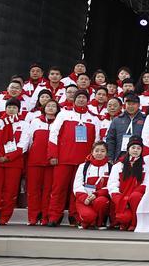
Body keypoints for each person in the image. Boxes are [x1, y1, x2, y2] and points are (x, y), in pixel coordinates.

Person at [46, 90, 102, 227]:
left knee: (78, 190)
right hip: (63, 159)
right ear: (74, 99)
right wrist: (53, 155)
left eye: (84, 97)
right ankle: (54, 216)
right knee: (58, 189)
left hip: (83, 162)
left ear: (88, 100)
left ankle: (75, 215)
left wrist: (92, 160)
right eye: (79, 97)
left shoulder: (94, 118)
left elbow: (97, 141)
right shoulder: (64, 114)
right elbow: (53, 135)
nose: (81, 100)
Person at [0, 97, 30, 225]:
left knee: (10, 191)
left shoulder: (24, 125)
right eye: (9, 107)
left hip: (14, 163)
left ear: (18, 110)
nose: (11, 109)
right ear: (5, 109)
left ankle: (4, 217)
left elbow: (24, 145)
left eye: (14, 108)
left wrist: (8, 157)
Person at [24, 99, 58, 225]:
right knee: (33, 190)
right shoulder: (35, 121)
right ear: (43, 107)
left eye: (53, 106)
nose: (50, 108)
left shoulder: (59, 122)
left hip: (51, 162)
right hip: (35, 160)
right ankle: (33, 217)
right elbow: (30, 140)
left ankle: (45, 217)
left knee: (48, 191)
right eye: (48, 105)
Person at [108, 136, 147, 231]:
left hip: (136, 198)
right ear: (128, 149)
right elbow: (112, 184)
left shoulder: (145, 165)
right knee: (123, 218)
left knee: (135, 196)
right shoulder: (119, 165)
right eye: (133, 147)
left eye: (138, 148)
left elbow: (146, 183)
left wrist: (132, 196)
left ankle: (135, 223)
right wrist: (120, 199)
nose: (135, 150)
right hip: (122, 198)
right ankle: (126, 221)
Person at [73, 141, 112, 229]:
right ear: (92, 152)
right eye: (97, 150)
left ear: (106, 153)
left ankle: (99, 222)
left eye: (102, 151)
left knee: (101, 201)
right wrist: (84, 198)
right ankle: (86, 221)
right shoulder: (83, 166)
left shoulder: (110, 167)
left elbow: (110, 186)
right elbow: (77, 186)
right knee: (88, 216)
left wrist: (96, 195)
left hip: (100, 197)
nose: (99, 153)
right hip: (84, 198)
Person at [105, 93, 146, 162]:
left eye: (133, 104)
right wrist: (110, 158)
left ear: (138, 105)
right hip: (120, 156)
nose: (131, 106)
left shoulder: (145, 119)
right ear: (125, 105)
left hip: (139, 157)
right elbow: (110, 140)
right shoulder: (117, 120)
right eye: (129, 104)